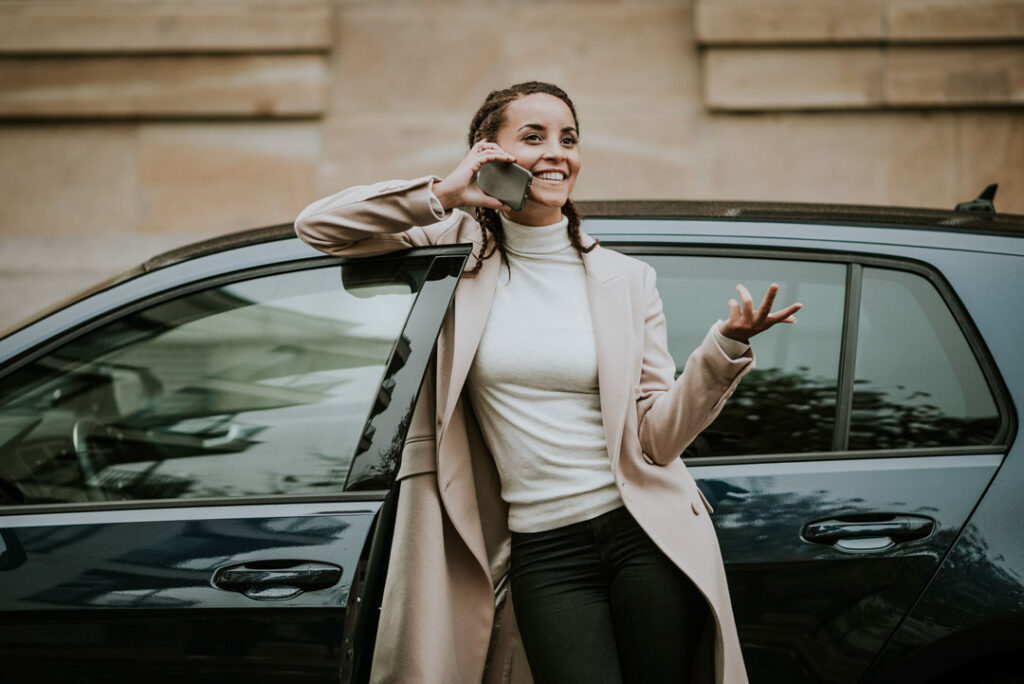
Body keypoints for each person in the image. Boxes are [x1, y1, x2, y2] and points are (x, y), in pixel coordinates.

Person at [294, 81, 801, 684]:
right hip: (544, 547)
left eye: (568, 138)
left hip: (646, 535)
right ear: (490, 153)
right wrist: (445, 192)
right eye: (532, 137)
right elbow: (319, 227)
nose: (556, 153)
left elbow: (656, 440)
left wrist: (724, 349)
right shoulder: (451, 252)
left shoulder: (626, 279)